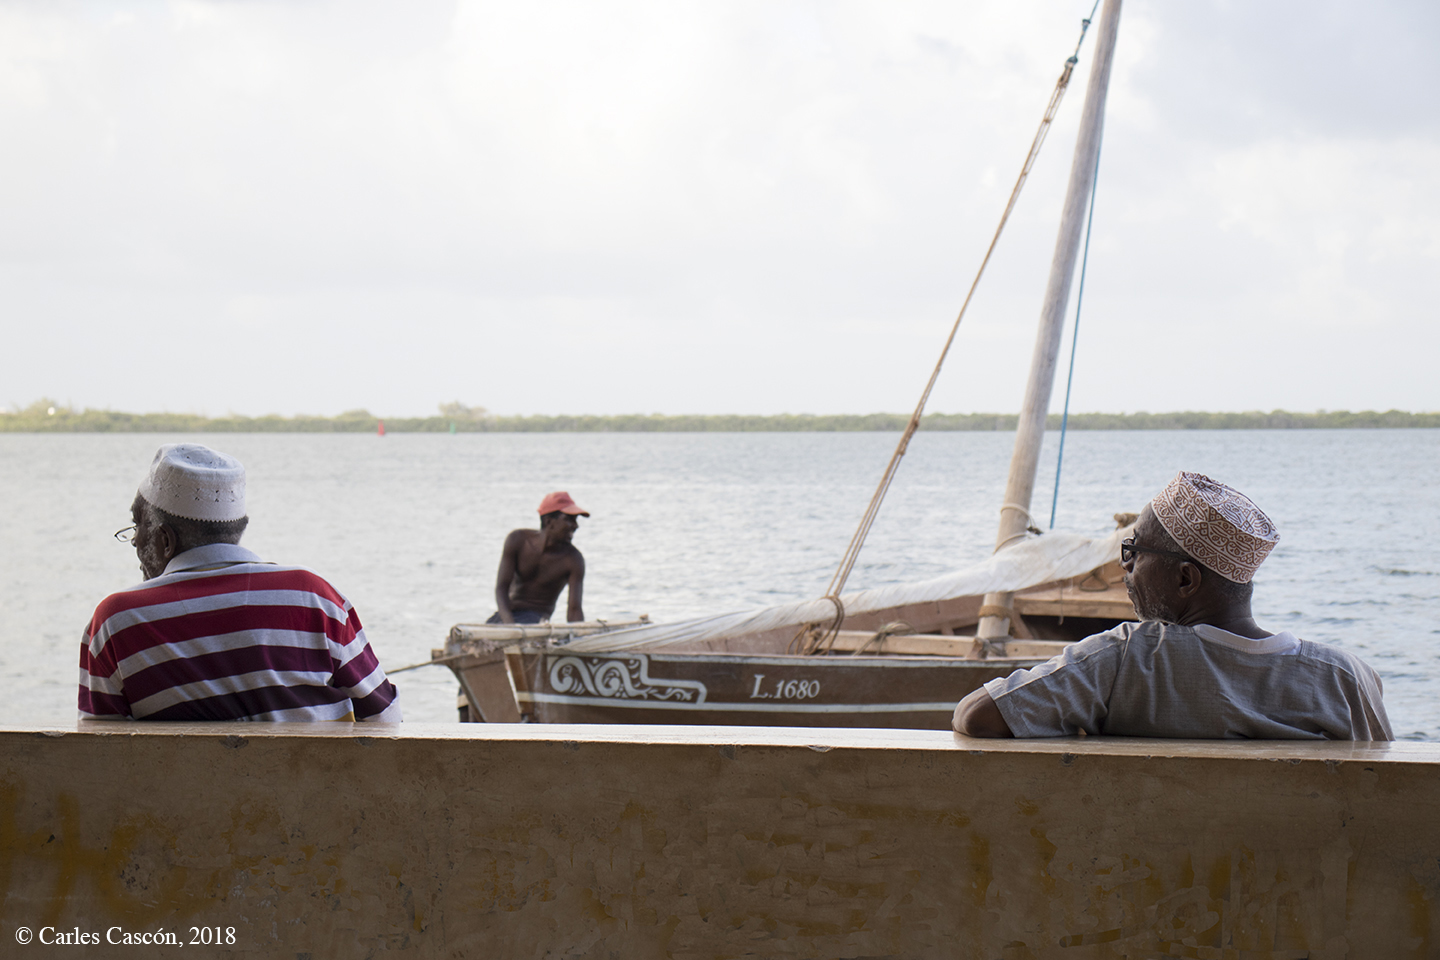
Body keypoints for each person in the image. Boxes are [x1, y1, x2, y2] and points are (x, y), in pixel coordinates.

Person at [953, 471, 1392, 741]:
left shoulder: (1125, 660)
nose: (1124, 567)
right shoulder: (1347, 679)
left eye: (1133, 551)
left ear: (1186, 579)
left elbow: (976, 716)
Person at [79, 444, 402, 722]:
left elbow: (100, 748)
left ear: (165, 540)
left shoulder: (117, 621)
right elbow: (384, 717)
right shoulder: (312, 596)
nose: (135, 542)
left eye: (138, 526)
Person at [488, 491, 588, 624]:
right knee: (473, 642)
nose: (575, 526)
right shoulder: (518, 540)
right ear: (549, 522)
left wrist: (578, 638)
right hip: (506, 615)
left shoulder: (573, 560)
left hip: (536, 619)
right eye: (569, 519)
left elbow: (574, 610)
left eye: (575, 520)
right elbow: (501, 587)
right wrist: (509, 625)